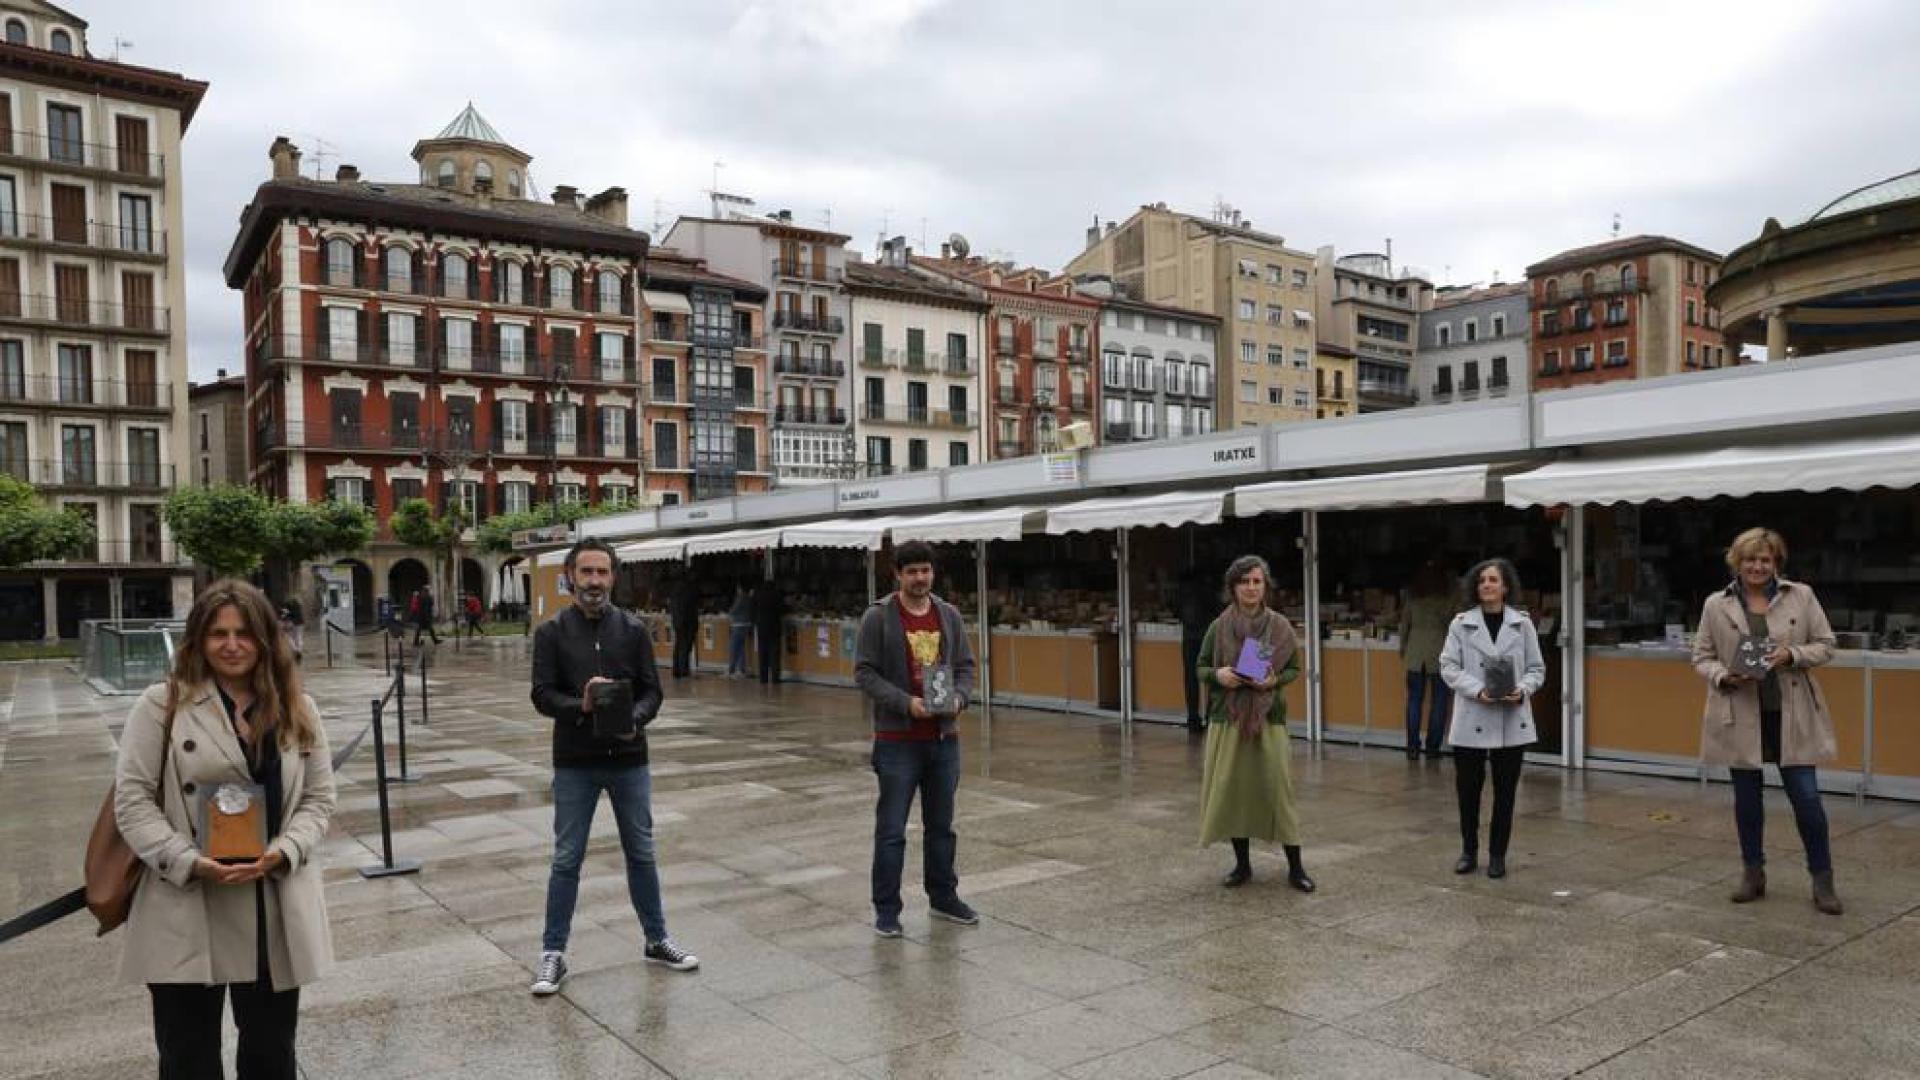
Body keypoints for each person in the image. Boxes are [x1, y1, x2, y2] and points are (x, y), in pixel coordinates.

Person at [113, 579, 335, 1079]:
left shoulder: (298, 708)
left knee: (272, 1055)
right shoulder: (161, 705)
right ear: (198, 639)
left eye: (244, 633)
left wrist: (286, 850)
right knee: (187, 1058)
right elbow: (133, 802)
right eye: (218, 633)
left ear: (265, 639)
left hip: (271, 903)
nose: (231, 645)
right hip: (186, 903)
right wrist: (187, 861)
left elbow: (320, 800)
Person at [529, 539, 697, 996]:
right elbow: (542, 695)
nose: (595, 582)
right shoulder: (551, 633)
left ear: (613, 577)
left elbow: (652, 692)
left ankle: (657, 938)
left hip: (628, 760)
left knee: (641, 851)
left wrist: (634, 719)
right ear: (570, 575)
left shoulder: (633, 629)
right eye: (586, 572)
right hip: (575, 762)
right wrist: (580, 706)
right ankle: (553, 953)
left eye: (602, 573)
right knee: (567, 858)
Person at [1692, 527, 1842, 915]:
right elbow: (1701, 657)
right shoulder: (1715, 605)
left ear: (1776, 563)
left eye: (1765, 559)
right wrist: (1724, 676)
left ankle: (1822, 878)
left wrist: (1790, 654)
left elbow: (1827, 645)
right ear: (1737, 562)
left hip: (1791, 713)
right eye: (1750, 559)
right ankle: (1753, 873)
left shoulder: (1801, 596)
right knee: (1747, 801)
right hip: (1741, 713)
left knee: (1807, 798)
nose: (1757, 566)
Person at [855, 539, 978, 937]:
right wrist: (905, 703)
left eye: (925, 570)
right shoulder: (878, 617)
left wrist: (959, 698)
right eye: (912, 572)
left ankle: (944, 897)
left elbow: (965, 667)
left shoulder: (949, 615)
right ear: (898, 575)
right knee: (891, 831)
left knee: (941, 827)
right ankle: (887, 910)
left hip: (944, 739)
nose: (920, 578)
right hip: (897, 740)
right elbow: (865, 673)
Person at [1195, 554, 1315, 893]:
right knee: (1234, 792)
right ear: (1233, 587)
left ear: (1265, 587)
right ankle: (1242, 866)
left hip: (1268, 720)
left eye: (1256, 581)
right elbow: (1201, 667)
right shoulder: (1219, 626)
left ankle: (1296, 868)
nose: (1250, 587)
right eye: (1244, 581)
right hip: (1228, 720)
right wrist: (1218, 675)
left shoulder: (1279, 627)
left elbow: (1293, 668)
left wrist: (1274, 681)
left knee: (1278, 791)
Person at [1439, 558, 1546, 880]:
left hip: (1511, 719)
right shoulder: (1461, 623)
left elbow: (1536, 668)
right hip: (1473, 715)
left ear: (1506, 587)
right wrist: (1477, 691)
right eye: (1482, 580)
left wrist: (1523, 689)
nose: (1487, 585)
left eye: (1493, 580)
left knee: (1506, 792)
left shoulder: (1522, 624)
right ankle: (1468, 850)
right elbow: (1449, 667)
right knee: (1468, 791)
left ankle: (1498, 855)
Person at [1399, 563, 1454, 760]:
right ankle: (1433, 747)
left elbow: (1404, 628)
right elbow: (1454, 627)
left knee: (1414, 701)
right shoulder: (1447, 602)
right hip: (1440, 653)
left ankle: (1412, 746)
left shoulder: (1413, 601)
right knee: (1439, 702)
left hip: (1415, 655)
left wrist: (1403, 649)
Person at [1177, 565, 1215, 734]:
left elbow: (1176, 611)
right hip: (1207, 638)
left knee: (1191, 679)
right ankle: (1211, 717)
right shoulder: (1207, 591)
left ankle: (1193, 718)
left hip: (1189, 638)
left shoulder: (1181, 593)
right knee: (1213, 679)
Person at [753, 578, 786, 685]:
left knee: (762, 653)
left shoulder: (758, 595)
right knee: (774, 654)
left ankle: (763, 678)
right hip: (774, 628)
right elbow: (782, 609)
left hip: (761, 628)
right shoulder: (776, 595)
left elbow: (752, 608)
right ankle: (775, 678)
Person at [669, 573, 699, 678]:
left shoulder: (675, 591)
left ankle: (677, 669)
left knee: (679, 645)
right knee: (685, 647)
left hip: (677, 622)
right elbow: (691, 608)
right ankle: (683, 670)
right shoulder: (689, 590)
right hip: (687, 622)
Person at [726, 582, 754, 677]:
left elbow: (733, 610)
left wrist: (729, 611)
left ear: (740, 589)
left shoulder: (740, 598)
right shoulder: (749, 598)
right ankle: (742, 669)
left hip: (738, 625)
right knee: (741, 648)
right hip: (746, 625)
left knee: (733, 648)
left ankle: (731, 669)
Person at [280, 596, 305, 662]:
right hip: (300, 622)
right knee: (298, 637)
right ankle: (299, 650)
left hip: (292, 622)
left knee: (289, 636)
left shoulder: (287, 605)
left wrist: (283, 620)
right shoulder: (299, 605)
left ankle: (295, 650)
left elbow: (285, 614)